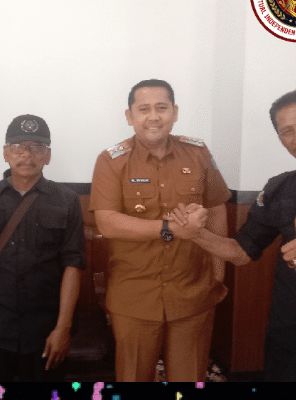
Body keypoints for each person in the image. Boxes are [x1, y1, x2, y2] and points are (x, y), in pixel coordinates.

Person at [181, 87, 296, 381]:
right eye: (287, 132)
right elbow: (241, 252)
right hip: (289, 333)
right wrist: (195, 234)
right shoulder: (279, 188)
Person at [89, 79, 231, 382]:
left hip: (193, 292)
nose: (153, 117)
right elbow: (106, 221)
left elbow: (217, 208)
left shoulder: (198, 153)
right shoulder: (111, 160)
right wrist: (169, 229)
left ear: (174, 112)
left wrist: (218, 272)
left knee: (189, 379)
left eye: (161, 108)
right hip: (134, 296)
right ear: (129, 116)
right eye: (144, 109)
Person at [0, 114, 86, 382]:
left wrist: (63, 328)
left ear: (48, 156)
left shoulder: (66, 200)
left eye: (36, 147)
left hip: (44, 329)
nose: (27, 154)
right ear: (6, 153)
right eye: (18, 146)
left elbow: (73, 265)